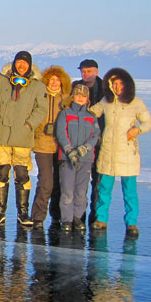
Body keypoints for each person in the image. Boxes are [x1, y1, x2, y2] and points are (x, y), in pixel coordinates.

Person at [88, 68, 151, 238]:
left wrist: (137, 130)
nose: (116, 87)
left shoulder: (136, 103)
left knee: (129, 190)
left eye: (119, 84)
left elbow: (148, 123)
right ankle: (101, 219)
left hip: (127, 153)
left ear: (127, 85)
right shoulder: (106, 102)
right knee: (104, 189)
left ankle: (131, 222)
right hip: (108, 151)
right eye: (113, 84)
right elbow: (92, 112)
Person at [0, 51, 48, 227]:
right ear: (14, 63)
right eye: (18, 62)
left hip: (23, 137)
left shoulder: (37, 86)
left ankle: (23, 212)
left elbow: (41, 109)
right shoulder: (1, 80)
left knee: (22, 174)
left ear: (29, 65)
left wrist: (29, 124)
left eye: (25, 63)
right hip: (2, 135)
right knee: (1, 172)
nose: (21, 66)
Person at [30, 65, 71, 229]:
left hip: (62, 145)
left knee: (61, 181)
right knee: (46, 181)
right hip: (42, 143)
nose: (54, 83)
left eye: (57, 80)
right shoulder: (40, 96)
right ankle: (38, 216)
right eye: (51, 80)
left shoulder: (67, 98)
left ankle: (57, 215)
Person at [55, 84, 101, 232]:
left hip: (86, 159)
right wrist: (69, 150)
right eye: (77, 95)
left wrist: (85, 148)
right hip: (67, 159)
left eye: (83, 96)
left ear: (87, 99)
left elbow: (95, 136)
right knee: (67, 191)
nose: (80, 98)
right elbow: (61, 133)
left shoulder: (91, 117)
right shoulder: (65, 114)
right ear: (73, 96)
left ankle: (77, 218)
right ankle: (66, 219)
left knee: (81, 192)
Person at [72, 59, 105, 223]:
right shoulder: (75, 87)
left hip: (99, 141)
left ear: (96, 71)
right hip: (78, 140)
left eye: (89, 71)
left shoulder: (105, 89)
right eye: (83, 71)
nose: (86, 74)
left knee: (98, 180)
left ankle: (96, 215)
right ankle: (78, 214)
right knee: (78, 180)